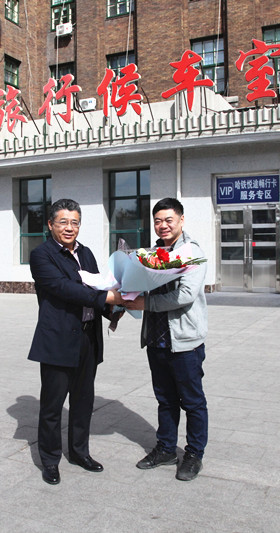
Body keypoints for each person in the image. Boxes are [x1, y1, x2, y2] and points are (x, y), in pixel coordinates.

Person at [27, 198, 124, 485]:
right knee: (52, 405)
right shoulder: (42, 255)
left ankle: (80, 453)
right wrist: (108, 297)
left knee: (83, 401)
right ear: (50, 225)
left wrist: (115, 308)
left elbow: (97, 286)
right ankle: (50, 460)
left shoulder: (87, 253)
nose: (70, 228)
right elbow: (64, 288)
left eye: (75, 222)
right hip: (58, 339)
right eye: (63, 222)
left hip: (88, 337)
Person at [125, 198, 209, 481]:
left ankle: (194, 454)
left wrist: (146, 303)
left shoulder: (192, 252)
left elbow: (185, 295)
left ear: (181, 220)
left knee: (192, 401)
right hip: (156, 339)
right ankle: (166, 448)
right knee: (165, 400)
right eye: (158, 221)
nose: (163, 225)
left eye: (168, 220)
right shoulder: (151, 254)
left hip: (184, 341)